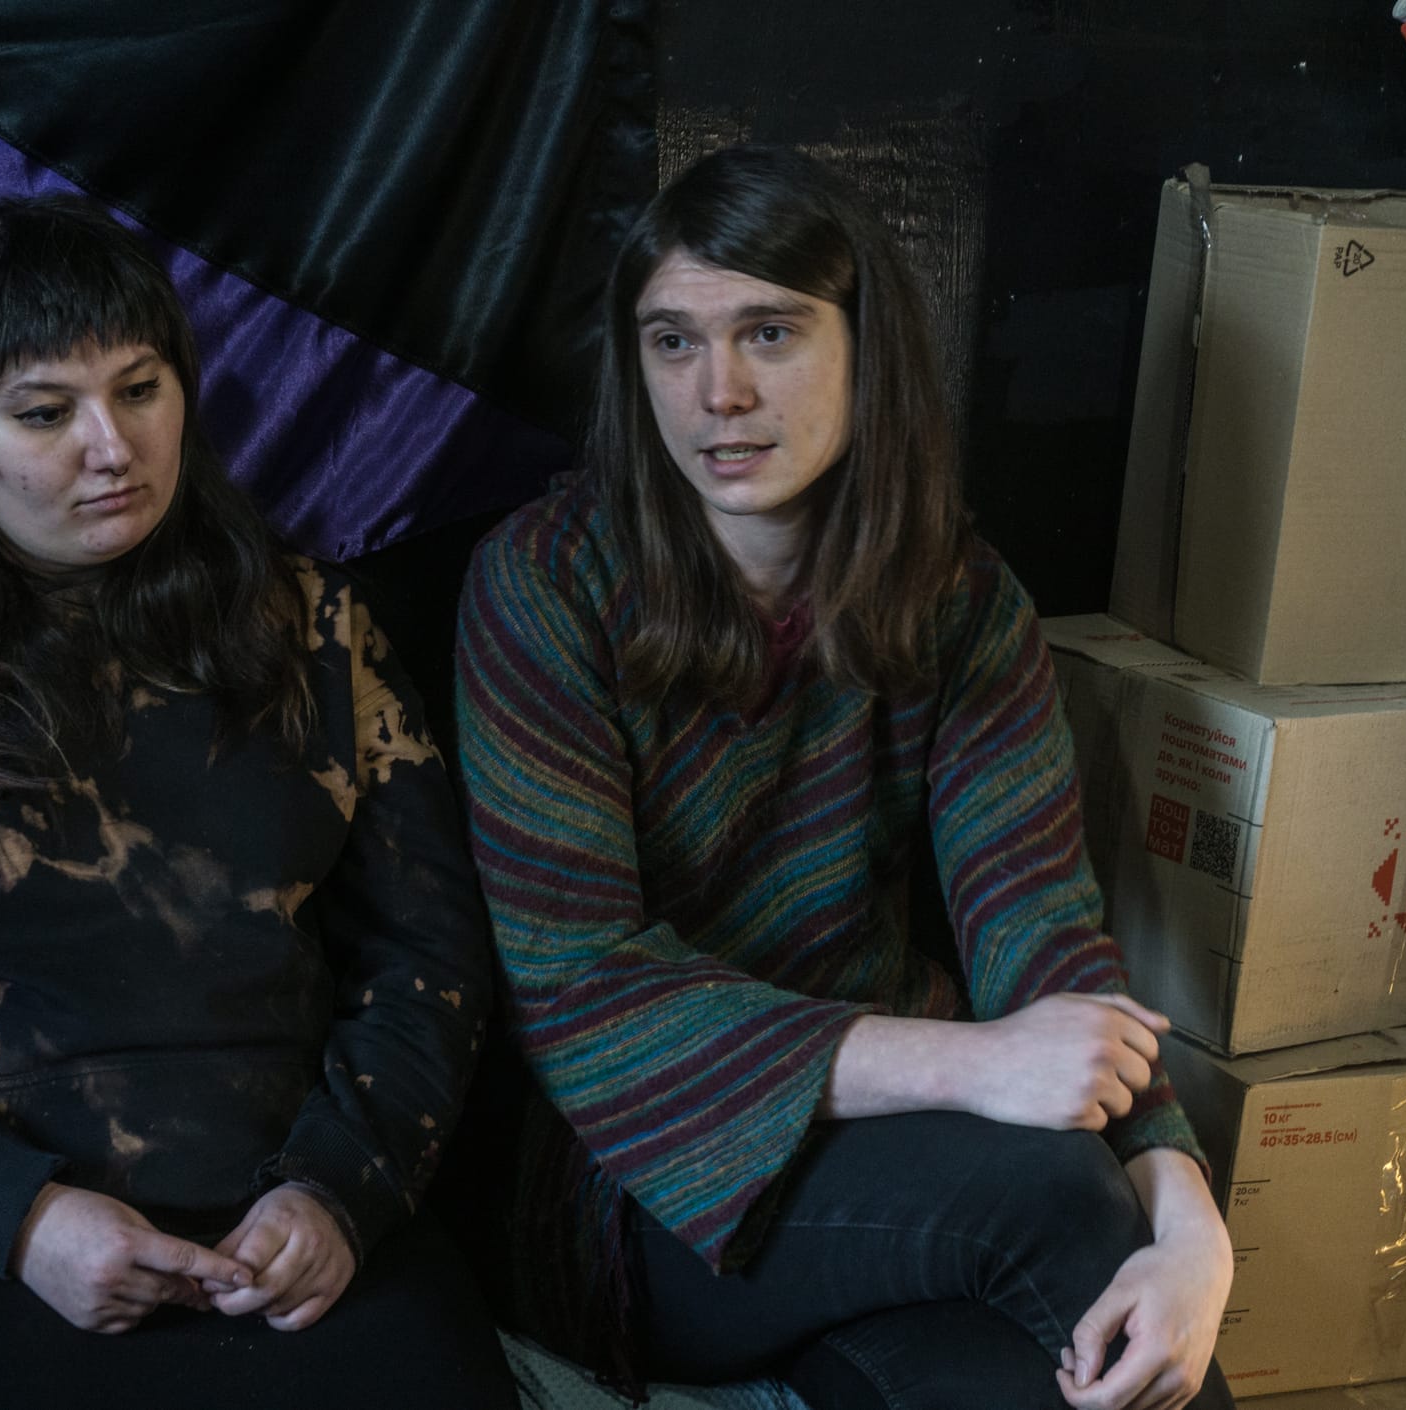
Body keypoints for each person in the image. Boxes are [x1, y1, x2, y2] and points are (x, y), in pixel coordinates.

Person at [0, 195, 518, 1409]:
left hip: (288, 1215)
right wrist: (14, 1219)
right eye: (44, 412)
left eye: (140, 389)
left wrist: (340, 1187)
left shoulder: (313, 624)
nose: (113, 448)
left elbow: (428, 952)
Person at [455, 145, 1236, 1410]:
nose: (718, 393)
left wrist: (1189, 1226)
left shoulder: (960, 602)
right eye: (672, 342)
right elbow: (580, 990)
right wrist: (969, 1066)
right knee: (1044, 1185)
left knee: (1017, 1378)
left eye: (768, 334)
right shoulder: (543, 585)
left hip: (882, 1164)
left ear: (867, 348)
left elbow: (1037, 931)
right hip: (625, 1174)